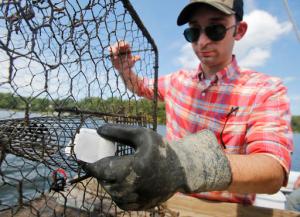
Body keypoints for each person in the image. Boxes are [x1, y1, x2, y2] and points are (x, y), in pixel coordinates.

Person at [81, 0, 294, 211]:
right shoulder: (177, 81)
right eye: (193, 32)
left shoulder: (266, 90)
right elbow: (142, 88)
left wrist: (182, 164)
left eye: (215, 29)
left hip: (227, 209)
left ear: (239, 30)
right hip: (170, 201)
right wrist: (125, 70)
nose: (202, 42)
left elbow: (273, 169)